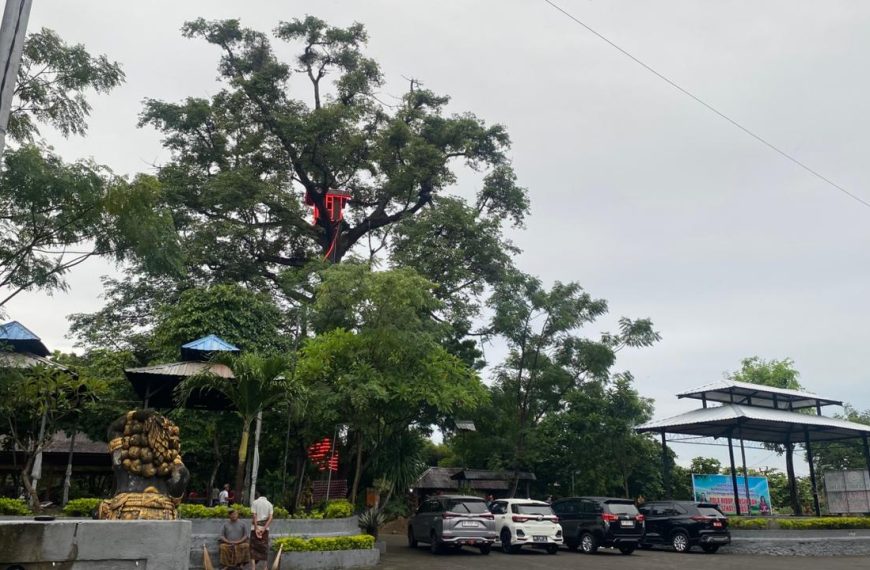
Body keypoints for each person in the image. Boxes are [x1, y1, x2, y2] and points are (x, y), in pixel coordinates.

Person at [249, 492, 273, 569]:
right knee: (264, 547)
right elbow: (270, 518)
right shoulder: (269, 504)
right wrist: (264, 528)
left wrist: (256, 528)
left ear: (258, 496)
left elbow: (254, 516)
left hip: (255, 528)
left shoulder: (255, 502)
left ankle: (253, 568)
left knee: (253, 547)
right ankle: (265, 567)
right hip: (265, 529)